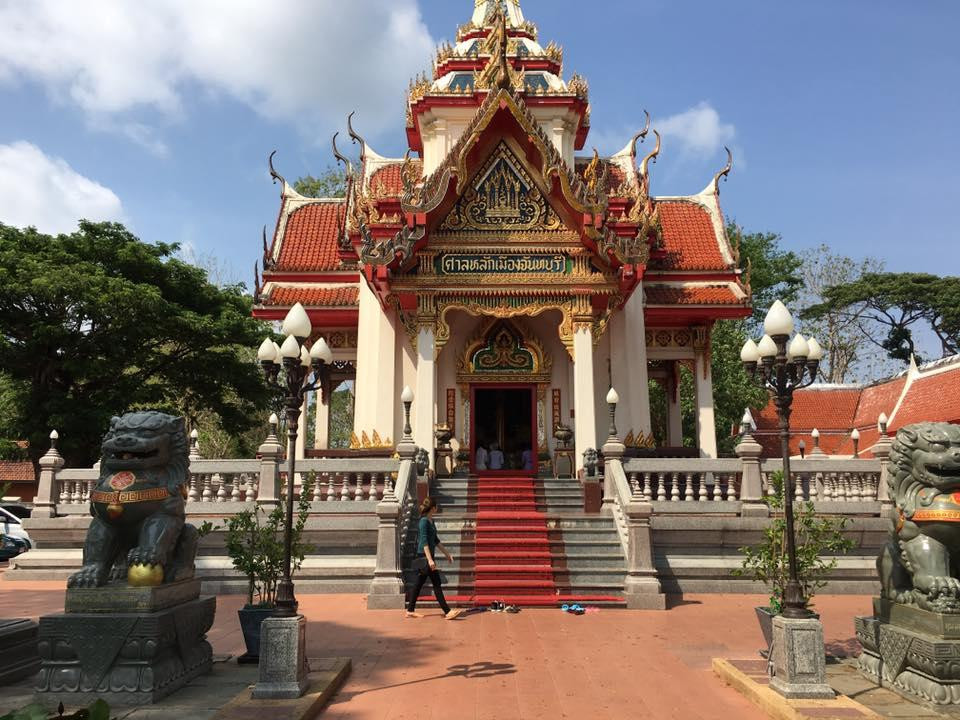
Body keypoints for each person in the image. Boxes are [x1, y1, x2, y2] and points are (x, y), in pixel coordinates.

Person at [406, 497, 463, 620]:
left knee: (419, 583)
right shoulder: (424, 522)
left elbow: (436, 540)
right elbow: (424, 541)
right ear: (432, 508)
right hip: (424, 556)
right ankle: (447, 611)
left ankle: (410, 610)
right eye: (436, 507)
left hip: (429, 556)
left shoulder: (431, 521)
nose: (437, 508)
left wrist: (447, 554)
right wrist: (430, 560)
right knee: (436, 583)